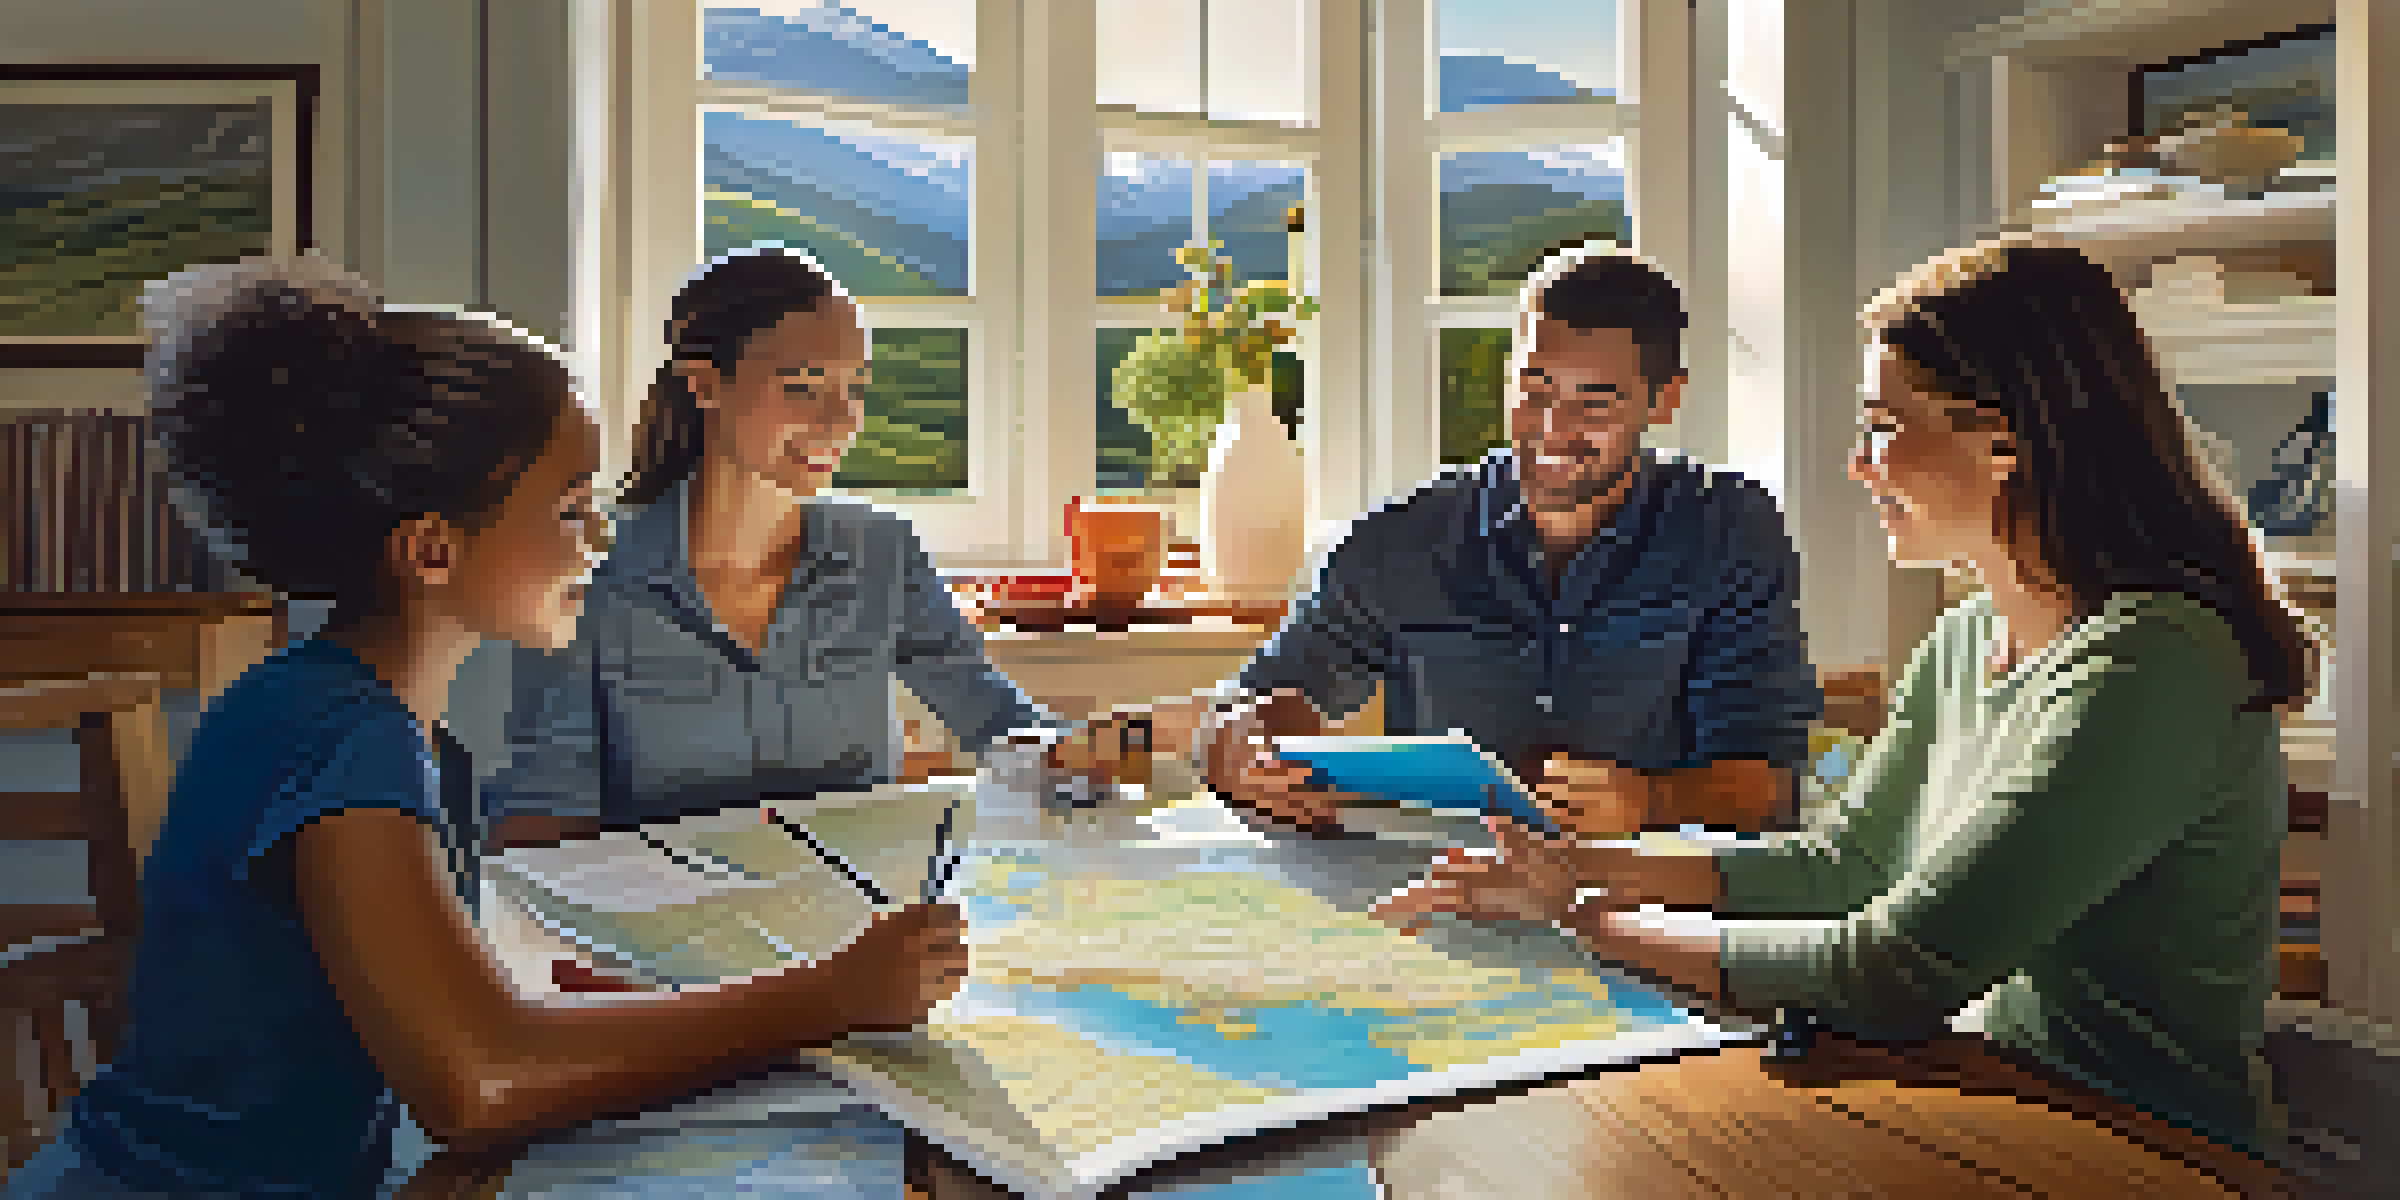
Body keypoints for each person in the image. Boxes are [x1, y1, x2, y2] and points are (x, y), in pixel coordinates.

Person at [3, 257, 966, 1199]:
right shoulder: (344, 741)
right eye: (569, 510)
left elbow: (440, 1019)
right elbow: (477, 1082)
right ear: (432, 549)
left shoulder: (374, 719)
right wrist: (825, 999)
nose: (598, 543)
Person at [1373, 237, 2313, 1159]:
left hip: (2143, 1154)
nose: (1860, 465)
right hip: (1986, 1106)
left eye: (1886, 427)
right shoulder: (1964, 642)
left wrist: (1579, 918)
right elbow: (1848, 864)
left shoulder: (2152, 663)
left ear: (2007, 441)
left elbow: (1891, 971)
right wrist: (1582, 865)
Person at [1142, 242, 1821, 837]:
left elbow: (1769, 787)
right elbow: (1258, 701)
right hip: (1445, 889)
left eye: (1595, 402)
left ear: (1664, 400)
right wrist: (1240, 750)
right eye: (1535, 388)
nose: (1553, 429)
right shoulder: (1401, 540)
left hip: (1649, 894)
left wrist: (1652, 801)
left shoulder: (1730, 530)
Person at [485, 247, 1141, 848]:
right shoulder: (588, 569)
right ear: (704, 385)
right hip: (666, 925)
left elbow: (1000, 724)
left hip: (863, 919)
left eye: (855, 388)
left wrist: (1101, 749)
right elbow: (546, 811)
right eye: (803, 386)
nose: (841, 420)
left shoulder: (883, 553)